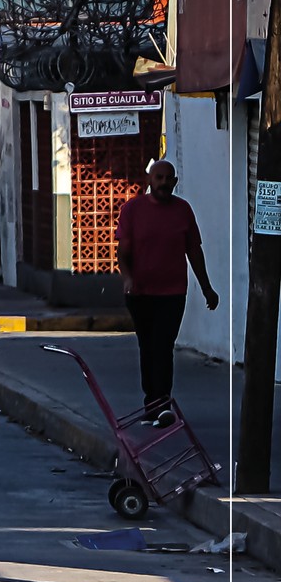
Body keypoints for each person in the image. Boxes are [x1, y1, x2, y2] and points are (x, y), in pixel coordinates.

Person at [115, 160, 219, 428]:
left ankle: (161, 402)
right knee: (147, 346)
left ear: (175, 182)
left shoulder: (182, 211)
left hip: (172, 293)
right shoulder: (132, 209)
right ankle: (152, 400)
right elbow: (123, 251)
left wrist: (207, 288)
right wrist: (128, 278)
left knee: (163, 346)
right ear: (149, 180)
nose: (163, 183)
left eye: (168, 179)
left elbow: (194, 251)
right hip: (140, 292)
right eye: (158, 177)